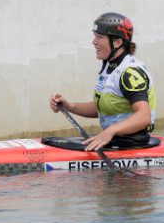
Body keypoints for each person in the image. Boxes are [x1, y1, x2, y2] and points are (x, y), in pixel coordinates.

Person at [50, 12, 156, 151]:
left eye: (99, 37)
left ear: (117, 42)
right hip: (116, 139)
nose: (94, 42)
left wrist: (110, 131)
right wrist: (69, 106)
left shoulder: (129, 73)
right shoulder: (110, 66)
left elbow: (144, 116)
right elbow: (102, 108)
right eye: (95, 36)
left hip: (132, 143)